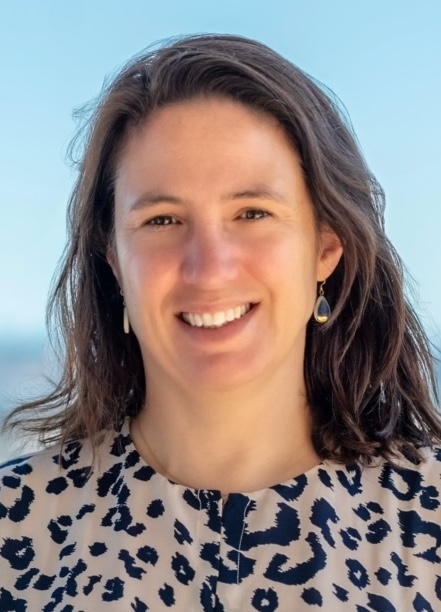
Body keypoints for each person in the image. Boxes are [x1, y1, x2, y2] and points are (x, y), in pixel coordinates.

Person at [1, 34, 440, 611]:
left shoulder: (429, 518)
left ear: (325, 249)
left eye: (252, 212)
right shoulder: (14, 531)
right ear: (114, 263)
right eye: (162, 220)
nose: (209, 268)